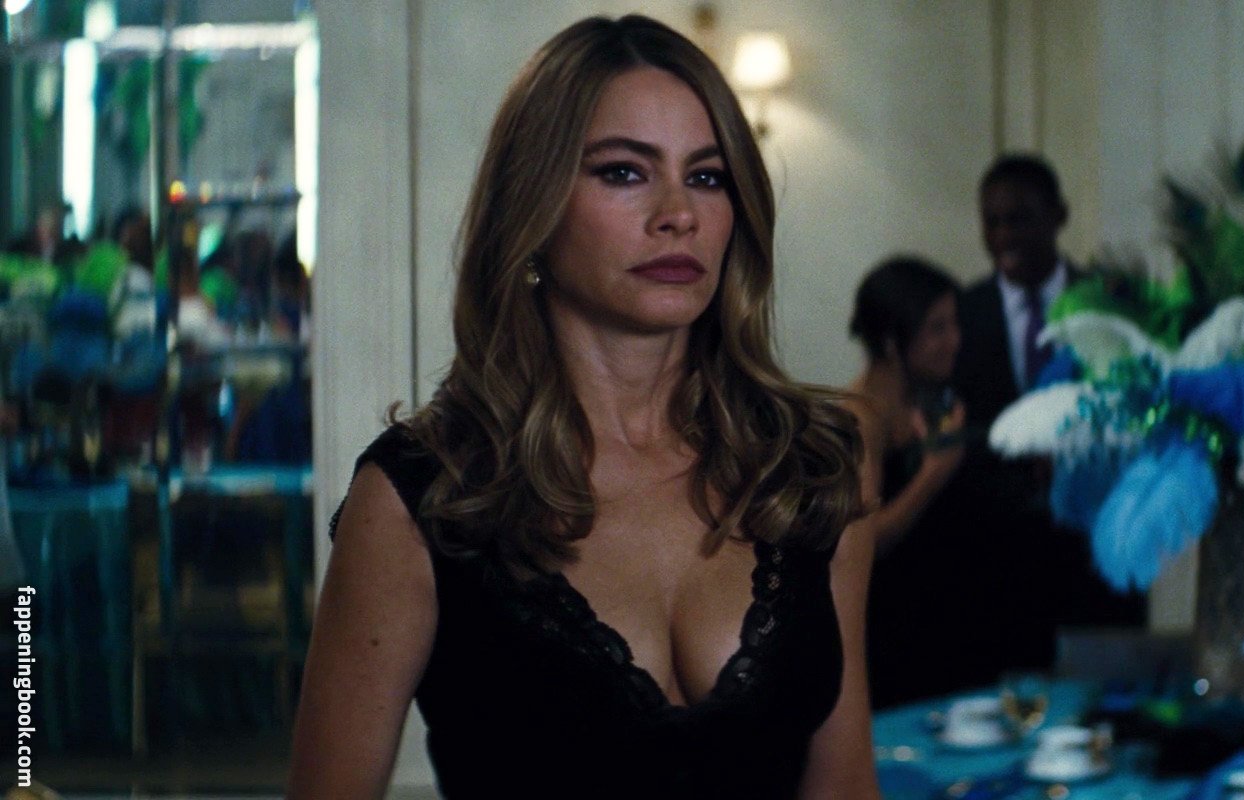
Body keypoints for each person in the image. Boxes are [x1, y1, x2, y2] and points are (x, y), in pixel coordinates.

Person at [288, 16, 878, 798]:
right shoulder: (423, 499)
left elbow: (843, 787)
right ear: (533, 205)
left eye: (707, 177)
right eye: (623, 172)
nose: (679, 213)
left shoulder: (809, 467)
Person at [942, 154, 1144, 696]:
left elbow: (1142, 407)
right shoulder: (959, 315)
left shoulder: (1111, 305)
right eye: (992, 221)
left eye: (1020, 218)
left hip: (1098, 560)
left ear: (1059, 215)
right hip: (994, 572)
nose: (1004, 235)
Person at [843, 255, 976, 707]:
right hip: (887, 640)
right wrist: (934, 474)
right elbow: (864, 539)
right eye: (938, 328)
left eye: (954, 325)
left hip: (937, 625)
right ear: (891, 340)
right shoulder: (859, 418)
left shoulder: (926, 403)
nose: (954, 341)